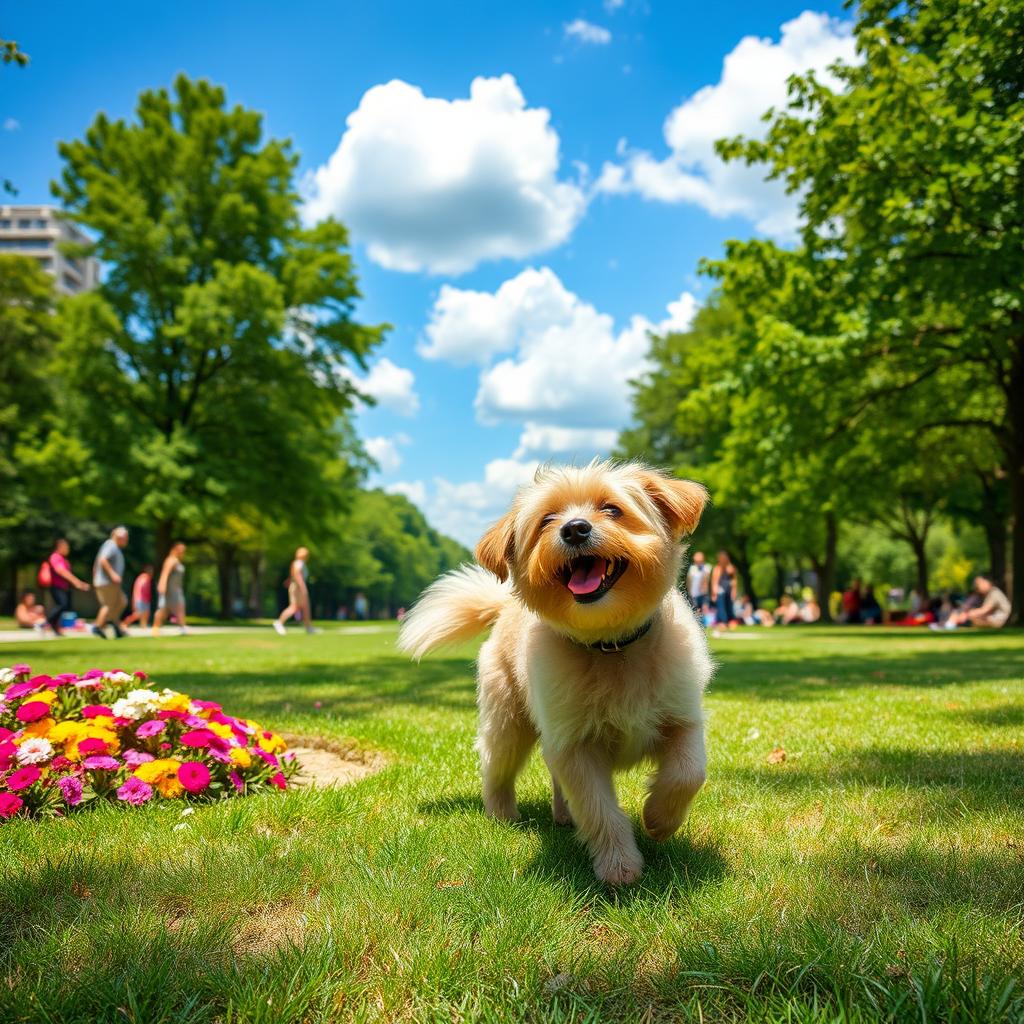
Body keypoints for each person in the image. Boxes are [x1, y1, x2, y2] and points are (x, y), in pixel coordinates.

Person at [42, 538, 90, 636]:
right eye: (66, 546)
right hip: (56, 586)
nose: (68, 549)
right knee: (62, 605)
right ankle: (46, 623)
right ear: (60, 547)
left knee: (64, 606)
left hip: (63, 587)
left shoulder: (62, 559)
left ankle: (55, 628)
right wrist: (77, 582)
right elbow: (61, 571)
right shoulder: (55, 557)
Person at [92, 526, 129, 639]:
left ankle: (114, 625)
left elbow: (97, 564)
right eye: (125, 538)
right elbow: (103, 560)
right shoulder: (111, 545)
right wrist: (113, 574)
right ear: (118, 536)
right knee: (108, 605)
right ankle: (98, 626)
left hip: (106, 582)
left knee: (121, 602)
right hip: (107, 582)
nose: (126, 541)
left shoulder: (113, 547)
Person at [942, 574, 1011, 630]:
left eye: (978, 584)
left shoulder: (994, 593)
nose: (977, 587)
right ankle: (950, 624)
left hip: (1000, 621)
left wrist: (967, 614)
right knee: (971, 619)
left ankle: (950, 624)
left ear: (986, 582)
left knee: (972, 620)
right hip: (996, 619)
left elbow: (984, 610)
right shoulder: (989, 594)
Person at [274, 546, 316, 635]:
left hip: (296, 587)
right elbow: (298, 575)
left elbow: (293, 575)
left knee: (304, 607)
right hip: (298, 588)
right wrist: (303, 587)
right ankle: (279, 623)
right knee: (296, 607)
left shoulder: (296, 563)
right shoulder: (299, 563)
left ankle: (308, 627)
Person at [152, 544, 188, 636]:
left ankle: (182, 627)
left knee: (179, 607)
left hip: (176, 589)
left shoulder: (177, 561)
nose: (182, 552)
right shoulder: (171, 560)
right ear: (174, 549)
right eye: (180, 550)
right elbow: (165, 573)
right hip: (169, 589)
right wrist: (162, 585)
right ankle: (156, 627)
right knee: (163, 608)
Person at [710, 550, 737, 626]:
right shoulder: (717, 568)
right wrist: (714, 594)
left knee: (729, 607)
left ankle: (730, 621)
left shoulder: (730, 568)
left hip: (728, 590)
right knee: (721, 607)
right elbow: (714, 581)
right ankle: (722, 622)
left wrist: (734, 592)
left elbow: (734, 581)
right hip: (720, 591)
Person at [123, 564, 153, 629]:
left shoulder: (147, 578)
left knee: (145, 614)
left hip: (145, 599)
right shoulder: (143, 577)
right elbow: (138, 589)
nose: (151, 572)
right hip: (141, 599)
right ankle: (125, 623)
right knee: (138, 614)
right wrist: (135, 599)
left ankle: (143, 627)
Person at [686, 551, 711, 616]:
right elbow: (688, 581)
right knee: (696, 610)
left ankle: (705, 624)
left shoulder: (706, 567)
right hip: (694, 593)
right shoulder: (692, 568)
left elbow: (706, 578)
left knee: (704, 608)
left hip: (703, 593)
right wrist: (689, 591)